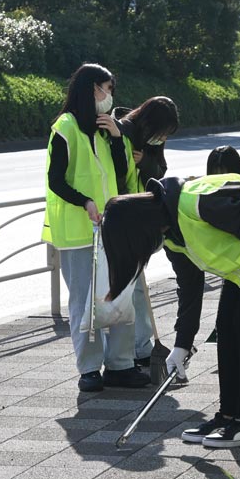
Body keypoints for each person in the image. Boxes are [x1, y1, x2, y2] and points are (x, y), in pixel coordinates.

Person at [100, 168, 240, 448]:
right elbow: (190, 287)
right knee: (226, 326)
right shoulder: (171, 235)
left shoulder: (196, 203)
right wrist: (182, 345)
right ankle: (227, 415)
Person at [41, 63, 149, 392]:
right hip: (77, 230)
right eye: (106, 88)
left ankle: (121, 364)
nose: (109, 96)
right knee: (84, 301)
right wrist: (85, 201)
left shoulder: (105, 129)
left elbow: (121, 176)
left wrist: (117, 138)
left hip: (112, 229)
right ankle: (89, 369)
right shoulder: (65, 127)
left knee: (119, 294)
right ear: (91, 91)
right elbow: (55, 180)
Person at [108, 97, 184, 367]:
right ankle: (130, 351)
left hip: (141, 217)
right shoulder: (123, 130)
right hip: (122, 217)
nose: (162, 138)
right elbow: (115, 173)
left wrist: (145, 162)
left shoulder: (153, 140)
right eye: (161, 132)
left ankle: (141, 347)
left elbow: (161, 170)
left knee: (137, 288)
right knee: (125, 288)